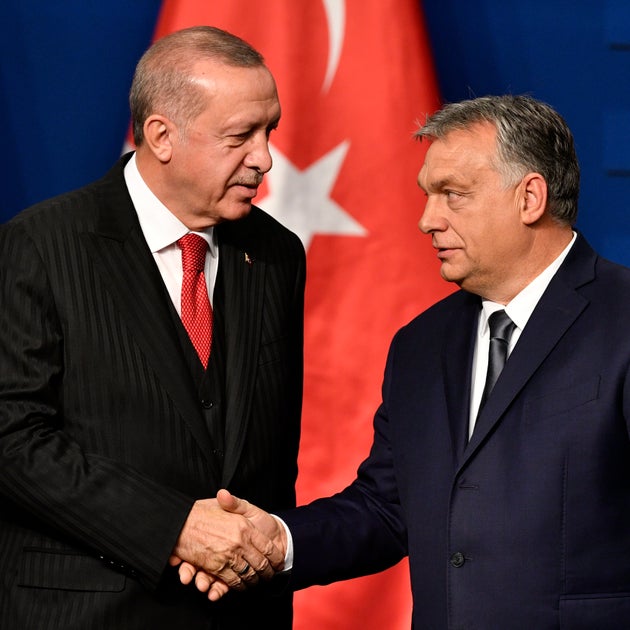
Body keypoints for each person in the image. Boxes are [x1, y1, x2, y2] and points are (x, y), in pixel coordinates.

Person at [182, 94, 630, 628]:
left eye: (452, 195)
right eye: (427, 195)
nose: (426, 220)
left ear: (530, 197)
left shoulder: (621, 318)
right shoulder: (422, 344)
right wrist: (277, 541)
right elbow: (386, 508)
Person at [0, 26, 304, 629]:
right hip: (84, 610)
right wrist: (174, 528)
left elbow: (271, 454)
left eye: (270, 131)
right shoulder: (41, 244)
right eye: (241, 136)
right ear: (162, 136)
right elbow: (13, 440)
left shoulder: (277, 254)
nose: (265, 159)